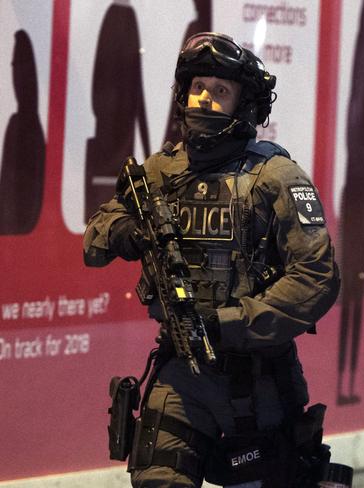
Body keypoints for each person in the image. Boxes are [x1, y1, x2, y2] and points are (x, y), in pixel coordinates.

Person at [84, 32, 340, 487]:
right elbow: (94, 241)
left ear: (246, 105)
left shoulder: (276, 176)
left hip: (257, 381)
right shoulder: (162, 170)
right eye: (198, 86)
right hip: (181, 376)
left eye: (220, 90)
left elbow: (317, 278)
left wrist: (230, 322)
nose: (204, 98)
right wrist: (126, 231)